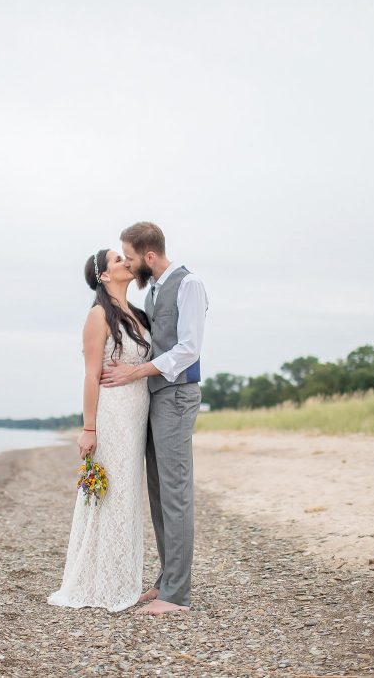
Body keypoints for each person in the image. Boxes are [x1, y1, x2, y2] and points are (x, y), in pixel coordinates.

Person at [102, 222, 208, 616]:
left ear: (148, 256)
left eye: (129, 257)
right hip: (156, 398)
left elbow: (189, 349)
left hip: (177, 396)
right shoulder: (159, 287)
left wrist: (134, 373)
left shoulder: (189, 284)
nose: (128, 264)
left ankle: (177, 595)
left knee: (176, 493)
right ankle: (167, 580)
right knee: (160, 493)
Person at [47, 249, 153, 612]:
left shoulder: (137, 315)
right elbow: (91, 375)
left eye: (126, 257)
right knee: (112, 496)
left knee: (128, 495)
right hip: (112, 416)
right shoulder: (98, 316)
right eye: (118, 259)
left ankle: (123, 578)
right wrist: (88, 428)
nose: (127, 261)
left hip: (138, 415)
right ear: (105, 276)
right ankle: (102, 584)